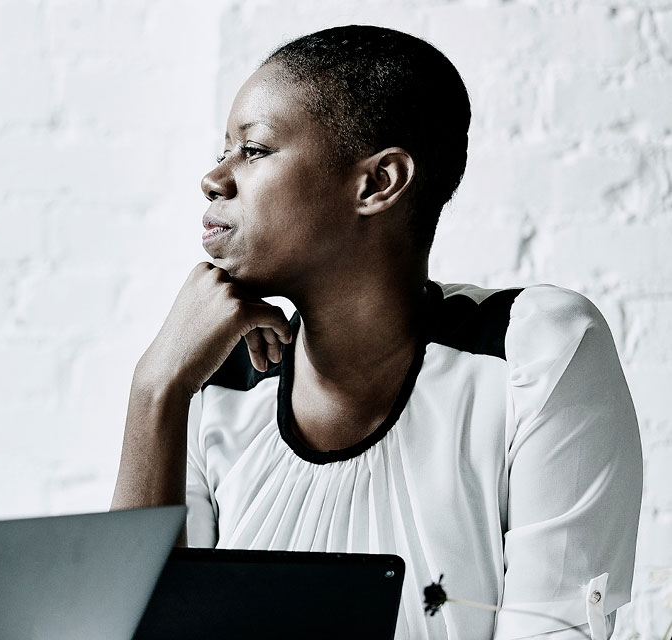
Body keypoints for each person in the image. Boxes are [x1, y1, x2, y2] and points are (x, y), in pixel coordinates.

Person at [110, 25, 643, 640]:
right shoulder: (216, 382)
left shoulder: (532, 353)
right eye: (223, 149)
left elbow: (556, 632)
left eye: (252, 151)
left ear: (378, 183)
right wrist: (155, 389)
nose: (214, 177)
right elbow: (130, 631)